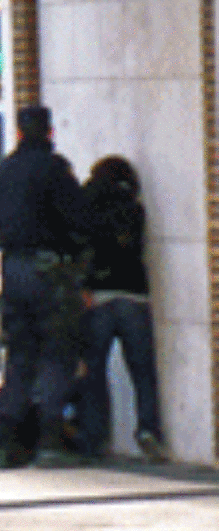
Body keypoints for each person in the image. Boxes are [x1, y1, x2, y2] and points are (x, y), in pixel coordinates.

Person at [0, 105, 90, 469]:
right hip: (49, 272)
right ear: (49, 132)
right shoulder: (54, 169)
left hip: (12, 270)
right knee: (56, 355)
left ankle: (7, 440)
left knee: (20, 357)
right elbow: (78, 218)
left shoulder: (2, 171)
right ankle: (50, 439)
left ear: (18, 133)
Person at [76, 155, 168, 462]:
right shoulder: (134, 208)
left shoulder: (85, 205)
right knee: (142, 372)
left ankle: (94, 437)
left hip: (98, 296)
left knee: (94, 370)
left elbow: (83, 248)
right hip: (134, 295)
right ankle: (148, 431)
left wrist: (84, 285)